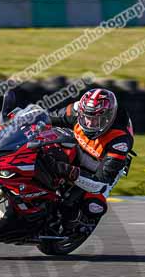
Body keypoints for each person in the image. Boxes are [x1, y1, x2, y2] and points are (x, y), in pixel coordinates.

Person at [48, 88, 135, 221]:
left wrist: (70, 172)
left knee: (93, 206)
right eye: (87, 117)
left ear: (108, 118)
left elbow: (101, 182)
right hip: (78, 149)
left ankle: (67, 228)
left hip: (99, 167)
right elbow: (48, 118)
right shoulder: (78, 109)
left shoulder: (120, 141)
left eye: (95, 120)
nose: (89, 123)